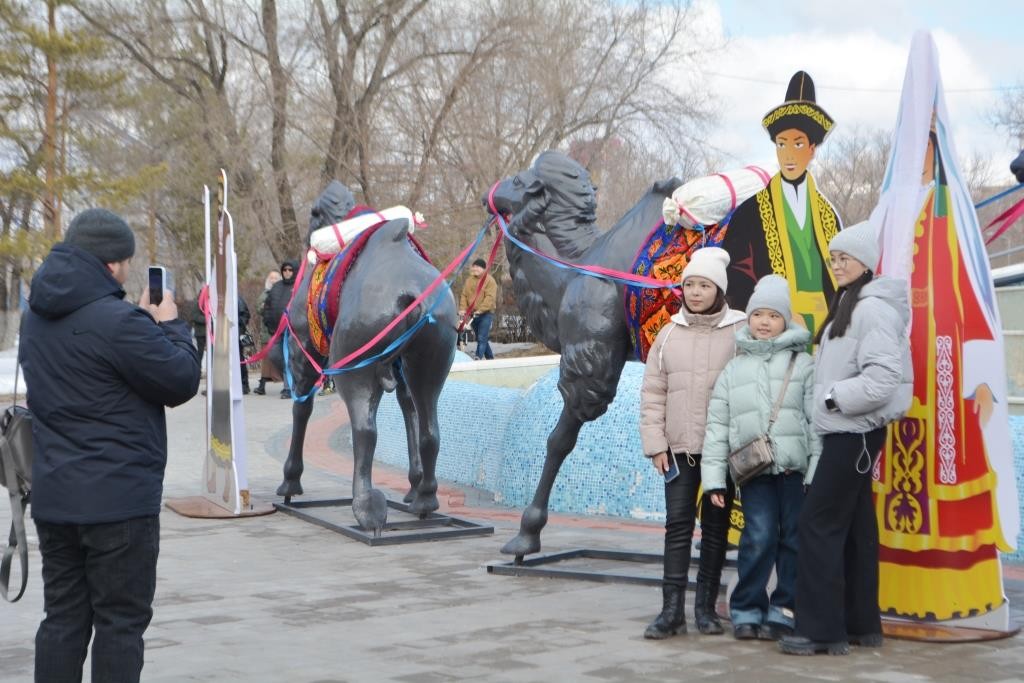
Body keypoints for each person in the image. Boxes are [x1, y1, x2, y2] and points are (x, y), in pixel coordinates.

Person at [20, 208, 201, 682]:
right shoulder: (120, 322)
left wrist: (141, 326)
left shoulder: (34, 319)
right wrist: (169, 325)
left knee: (62, 620)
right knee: (120, 624)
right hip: (118, 504)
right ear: (114, 265)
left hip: (55, 500)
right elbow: (180, 380)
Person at [778, 220, 911, 656]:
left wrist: (834, 399)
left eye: (844, 258)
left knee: (818, 525)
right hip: (849, 433)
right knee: (855, 530)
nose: (836, 265)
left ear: (865, 264)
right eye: (833, 258)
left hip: (851, 432)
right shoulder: (851, 305)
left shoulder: (871, 310)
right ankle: (859, 625)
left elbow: (884, 377)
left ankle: (821, 631)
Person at [701, 274, 819, 641]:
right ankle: (746, 608)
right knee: (758, 537)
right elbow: (717, 427)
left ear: (786, 320)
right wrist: (714, 479)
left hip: (795, 471)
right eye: (758, 315)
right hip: (755, 472)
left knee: (794, 540)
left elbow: (817, 421)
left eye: (773, 315)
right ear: (748, 319)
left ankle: (784, 608)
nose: (764, 322)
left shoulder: (803, 365)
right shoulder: (734, 370)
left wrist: (816, 470)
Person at [639, 246, 747, 638]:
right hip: (678, 450)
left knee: (716, 529)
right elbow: (653, 392)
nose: (696, 292)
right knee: (678, 525)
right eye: (689, 285)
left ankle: (705, 610)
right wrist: (656, 445)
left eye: (704, 285)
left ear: (718, 289)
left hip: (723, 451)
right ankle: (671, 612)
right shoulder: (668, 335)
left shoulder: (741, 330)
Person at [719, 70, 842, 332]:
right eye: (781, 144)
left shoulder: (829, 215)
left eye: (797, 144)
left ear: (812, 149)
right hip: (773, 329)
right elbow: (736, 278)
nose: (788, 154)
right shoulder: (749, 214)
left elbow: (842, 276)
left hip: (823, 329)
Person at [262, 260, 298, 398]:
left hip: (292, 330)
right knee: (274, 355)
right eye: (285, 270)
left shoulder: (298, 286)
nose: (287, 272)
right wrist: (268, 322)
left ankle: (288, 388)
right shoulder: (276, 287)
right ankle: (291, 379)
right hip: (276, 330)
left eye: (290, 270)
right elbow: (267, 306)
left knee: (289, 357)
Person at [458, 258, 498, 360]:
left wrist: (480, 310)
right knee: (482, 338)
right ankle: (491, 360)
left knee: (481, 337)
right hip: (473, 314)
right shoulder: (469, 281)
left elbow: (490, 298)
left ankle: (478, 358)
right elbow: (464, 295)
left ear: (483, 268)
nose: (474, 268)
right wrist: (463, 309)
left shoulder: (490, 281)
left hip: (485, 314)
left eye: (477, 267)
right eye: (474, 266)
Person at [254, 269, 283, 394]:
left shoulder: (283, 293)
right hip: (267, 331)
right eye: (271, 278)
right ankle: (262, 384)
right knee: (266, 359)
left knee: (281, 357)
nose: (273, 280)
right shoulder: (264, 295)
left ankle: (287, 385)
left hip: (281, 331)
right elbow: (259, 308)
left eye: (276, 278)